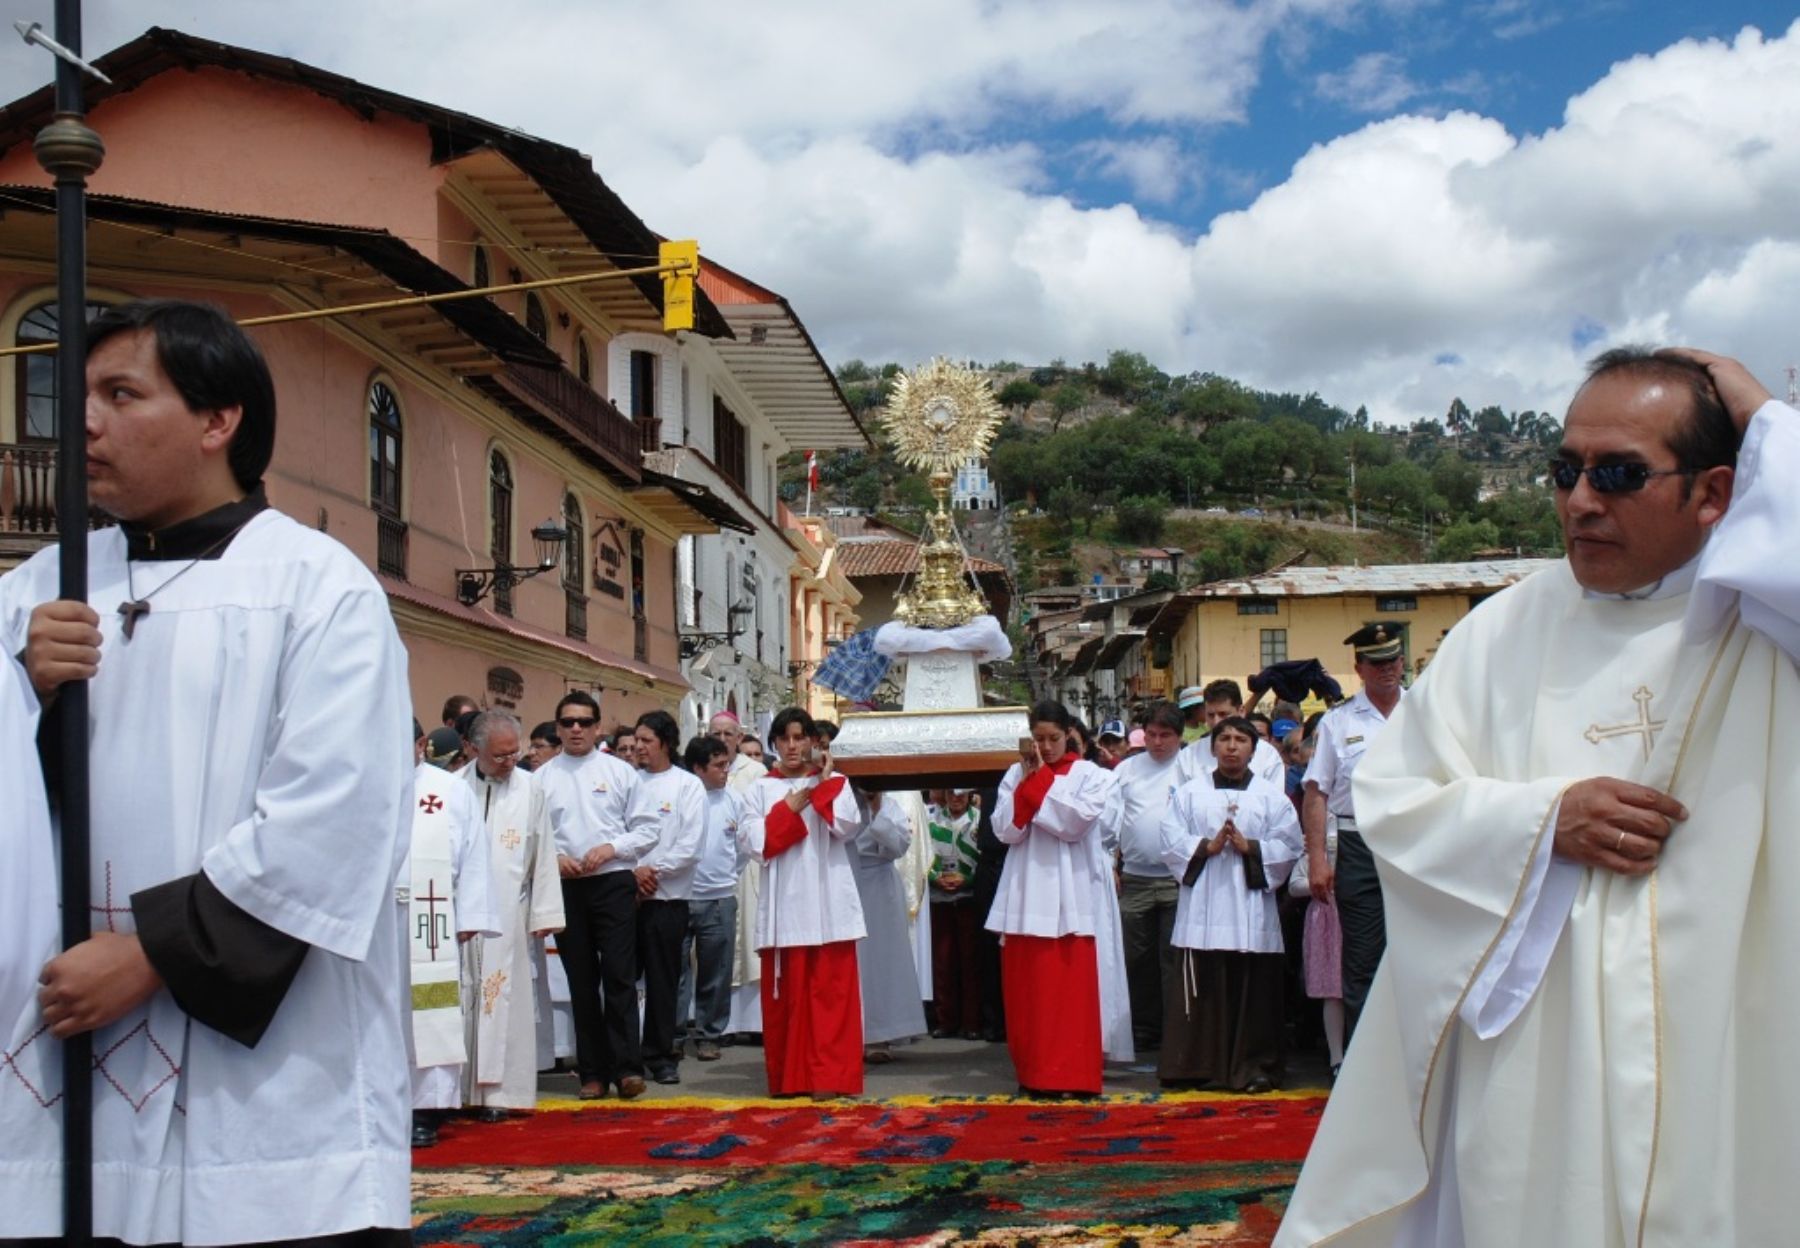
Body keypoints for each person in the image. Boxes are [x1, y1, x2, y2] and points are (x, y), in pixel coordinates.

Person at [1278, 347, 1800, 1247]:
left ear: (1715, 493)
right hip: (1538, 1052)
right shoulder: (1501, 632)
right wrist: (1540, 821)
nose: (1579, 500)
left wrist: (1767, 419)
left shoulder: (1769, 621)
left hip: (1733, 1028)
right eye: (1565, 470)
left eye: (1620, 474)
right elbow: (1396, 803)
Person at [2, 299, 415, 1243]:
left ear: (217, 420)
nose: (84, 423)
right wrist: (21, 689)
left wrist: (152, 954)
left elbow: (337, 814)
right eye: (80, 396)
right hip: (59, 1036)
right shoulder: (37, 589)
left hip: (264, 1077)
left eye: (120, 394)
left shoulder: (317, 586)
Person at [986, 701, 1132, 1096]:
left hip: (1070, 892)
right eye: (1037, 739)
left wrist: (1036, 785)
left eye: (1052, 738)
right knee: (1029, 995)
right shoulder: (1015, 773)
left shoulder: (1091, 775)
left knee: (1067, 996)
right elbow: (1004, 830)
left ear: (1069, 733)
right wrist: (1027, 784)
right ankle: (1033, 1074)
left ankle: (1071, 1075)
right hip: (1025, 890)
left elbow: (1073, 824)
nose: (1045, 747)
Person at [1156, 717, 1301, 1092]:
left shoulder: (1271, 798)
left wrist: (1250, 847)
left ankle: (1253, 1067)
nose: (1232, 746)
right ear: (1212, 747)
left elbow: (1289, 846)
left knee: (1253, 991)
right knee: (1204, 986)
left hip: (1249, 910)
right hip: (1204, 907)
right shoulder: (1190, 794)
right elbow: (1170, 841)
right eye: (1224, 739)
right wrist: (1206, 846)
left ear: (1254, 749)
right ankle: (1198, 1067)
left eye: (1240, 740)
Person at [736, 708, 868, 1097]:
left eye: (800, 737)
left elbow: (846, 826)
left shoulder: (837, 782)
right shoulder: (759, 788)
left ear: (813, 741)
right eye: (784, 738)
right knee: (790, 1000)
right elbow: (755, 844)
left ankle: (831, 1078)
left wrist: (821, 785)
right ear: (774, 743)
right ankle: (791, 1079)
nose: (792, 746)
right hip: (785, 907)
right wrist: (789, 809)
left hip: (829, 903)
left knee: (830, 997)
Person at [536, 690, 652, 1100]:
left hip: (613, 880)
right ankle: (593, 1072)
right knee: (581, 980)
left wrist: (612, 848)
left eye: (584, 722)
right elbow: (533, 837)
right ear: (558, 727)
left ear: (597, 727)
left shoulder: (620, 772)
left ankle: (628, 1069)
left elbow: (647, 828)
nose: (576, 729)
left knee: (619, 976)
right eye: (567, 722)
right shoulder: (543, 778)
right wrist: (555, 858)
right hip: (567, 885)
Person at [1297, 623, 1405, 1043]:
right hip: (1359, 844)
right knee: (1362, 962)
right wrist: (1319, 860)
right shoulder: (1338, 722)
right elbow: (1315, 793)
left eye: (1393, 660)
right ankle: (1366, 1068)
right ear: (1358, 668)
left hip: (1414, 843)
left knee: (1418, 953)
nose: (1387, 670)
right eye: (1376, 663)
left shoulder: (1425, 712)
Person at [461, 710, 565, 1118]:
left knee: (503, 999)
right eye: (500, 756)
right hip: (462, 915)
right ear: (473, 749)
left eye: (514, 754)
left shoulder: (530, 789)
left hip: (508, 912)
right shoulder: (453, 789)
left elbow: (543, 851)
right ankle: (456, 1090)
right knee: (462, 998)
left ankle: (501, 1093)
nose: (509, 763)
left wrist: (544, 911)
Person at [406, 720, 499, 1147]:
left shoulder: (448, 790)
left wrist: (470, 917)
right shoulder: (359, 785)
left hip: (430, 918)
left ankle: (427, 1106)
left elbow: (474, 853)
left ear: (421, 745)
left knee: (430, 1011)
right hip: (374, 922)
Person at [1102, 700, 1188, 1053]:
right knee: (1135, 957)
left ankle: (1175, 1027)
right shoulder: (1126, 770)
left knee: (1172, 957)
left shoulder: (1191, 768)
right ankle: (1143, 1026)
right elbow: (1110, 820)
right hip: (1134, 877)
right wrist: (1110, 861)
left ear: (1179, 736)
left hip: (1177, 878)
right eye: (1151, 734)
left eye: (1165, 735)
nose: (1157, 742)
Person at [628, 710, 705, 1084]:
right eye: (636, 740)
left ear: (666, 743)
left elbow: (690, 844)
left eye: (646, 740)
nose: (639, 747)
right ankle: (624, 1054)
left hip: (667, 897)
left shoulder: (687, 786)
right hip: (626, 895)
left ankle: (659, 1054)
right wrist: (632, 873)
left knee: (662, 979)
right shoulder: (628, 781)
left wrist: (651, 873)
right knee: (622, 977)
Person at [677, 735, 748, 1061]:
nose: (725, 772)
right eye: (718, 766)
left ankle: (709, 1034)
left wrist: (725, 877)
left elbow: (743, 849)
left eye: (727, 765)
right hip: (678, 896)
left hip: (720, 898)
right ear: (697, 768)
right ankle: (674, 1034)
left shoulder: (734, 800)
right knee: (675, 971)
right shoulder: (681, 796)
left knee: (715, 971)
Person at [849, 786, 929, 1061]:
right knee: (850, 961)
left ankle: (879, 1033)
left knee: (881, 961)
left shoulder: (889, 804)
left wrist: (875, 806)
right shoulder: (838, 800)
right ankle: (847, 1034)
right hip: (845, 882)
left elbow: (898, 845)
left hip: (879, 884)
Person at [709, 710, 770, 1041]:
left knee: (749, 943)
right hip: (714, 869)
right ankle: (722, 1025)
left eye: (728, 734)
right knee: (718, 948)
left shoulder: (757, 772)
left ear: (738, 736)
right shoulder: (701, 770)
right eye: (715, 734)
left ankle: (754, 1022)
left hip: (748, 870)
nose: (722, 741)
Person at [925, 789, 984, 1039]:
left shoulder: (980, 819)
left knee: (971, 962)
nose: (956, 798)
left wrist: (969, 879)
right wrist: (934, 877)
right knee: (942, 961)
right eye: (952, 793)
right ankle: (945, 1020)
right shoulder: (931, 819)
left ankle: (972, 1022)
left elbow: (984, 858)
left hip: (968, 898)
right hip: (940, 898)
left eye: (961, 793)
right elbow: (921, 855)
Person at [1180, 679, 1284, 790]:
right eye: (1210, 715)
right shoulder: (1189, 756)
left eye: (1223, 714)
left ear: (1241, 711)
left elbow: (1275, 801)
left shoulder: (1267, 755)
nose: (1216, 722)